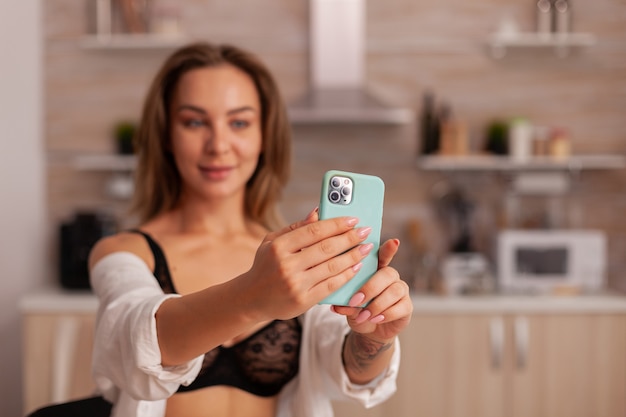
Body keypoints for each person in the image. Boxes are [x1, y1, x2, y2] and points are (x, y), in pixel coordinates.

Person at [30, 41, 412, 417]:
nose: (218, 145)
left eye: (239, 122)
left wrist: (371, 340)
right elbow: (135, 344)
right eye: (194, 122)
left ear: (265, 135)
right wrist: (253, 295)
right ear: (166, 135)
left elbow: (349, 374)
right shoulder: (125, 251)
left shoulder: (293, 257)